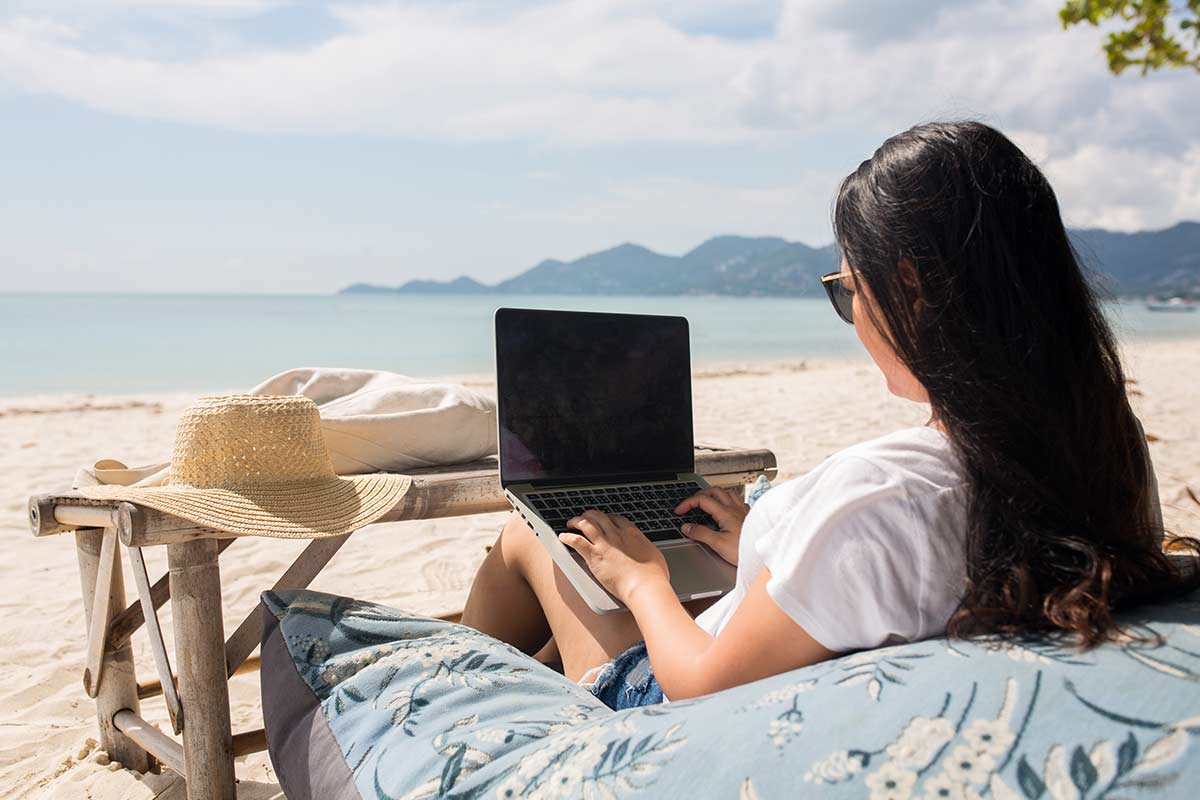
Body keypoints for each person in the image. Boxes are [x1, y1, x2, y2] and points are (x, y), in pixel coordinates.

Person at [459, 120, 1199, 712]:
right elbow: (884, 567)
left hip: (671, 697)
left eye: (846, 289)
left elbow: (700, 684)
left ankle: (458, 698)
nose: (850, 312)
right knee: (581, 588)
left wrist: (644, 581)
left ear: (908, 290)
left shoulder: (886, 498)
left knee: (527, 539)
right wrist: (767, 544)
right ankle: (526, 669)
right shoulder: (1101, 443)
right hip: (797, 651)